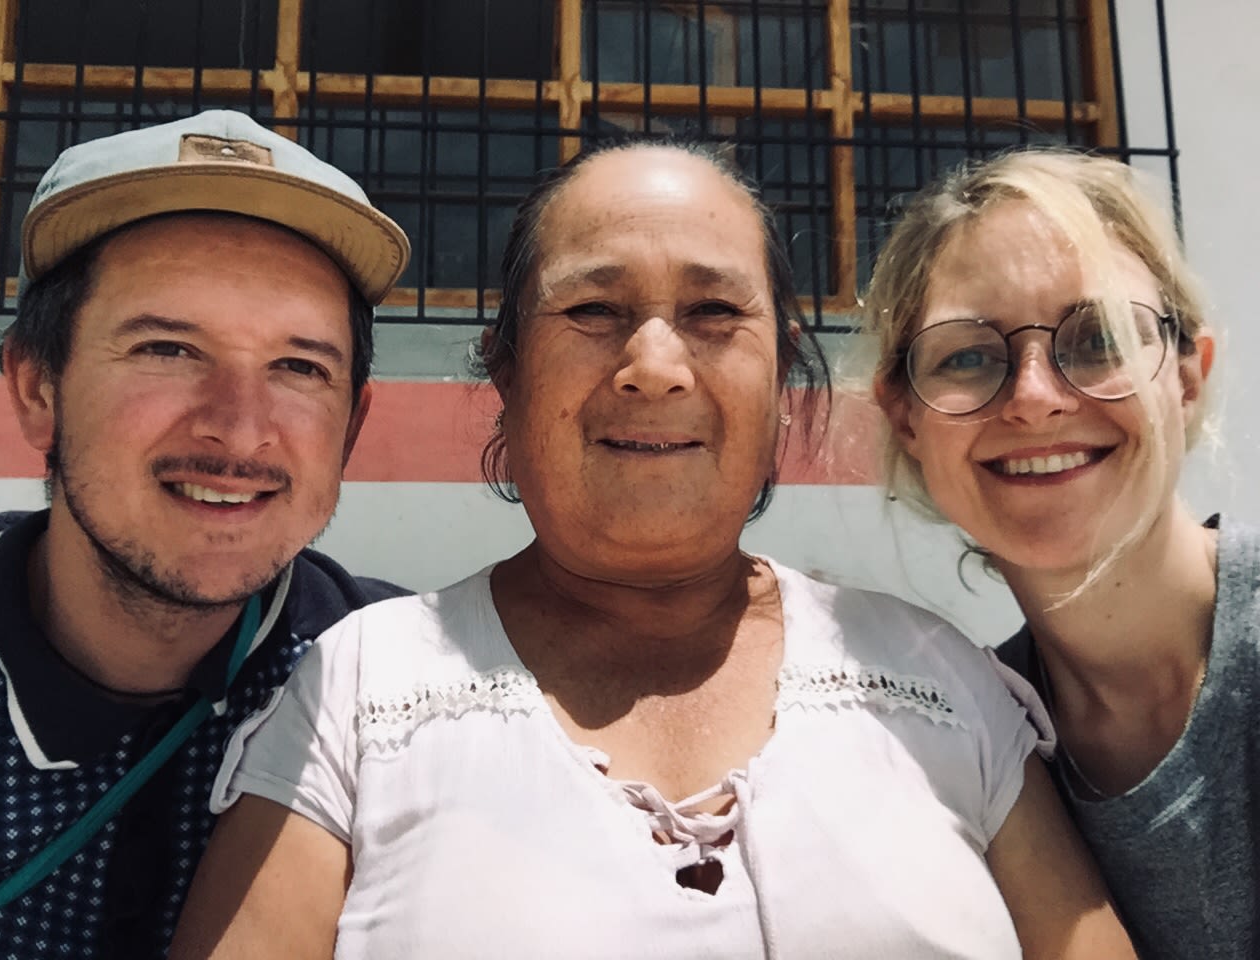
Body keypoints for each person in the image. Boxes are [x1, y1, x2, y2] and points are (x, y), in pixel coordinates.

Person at [171, 139, 1132, 959]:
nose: (655, 368)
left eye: (715, 315)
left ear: (783, 379)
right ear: (506, 371)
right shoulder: (361, 690)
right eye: (593, 312)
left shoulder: (940, 680)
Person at [0, 109, 413, 959]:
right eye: (169, 349)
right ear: (37, 389)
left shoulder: (404, 689)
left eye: (298, 368)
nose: (241, 431)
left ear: (351, 428)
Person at [866, 149, 1234, 959]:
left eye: (1098, 337)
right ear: (905, 421)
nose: (1034, 397)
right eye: (967, 355)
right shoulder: (967, 741)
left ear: (1186, 375)